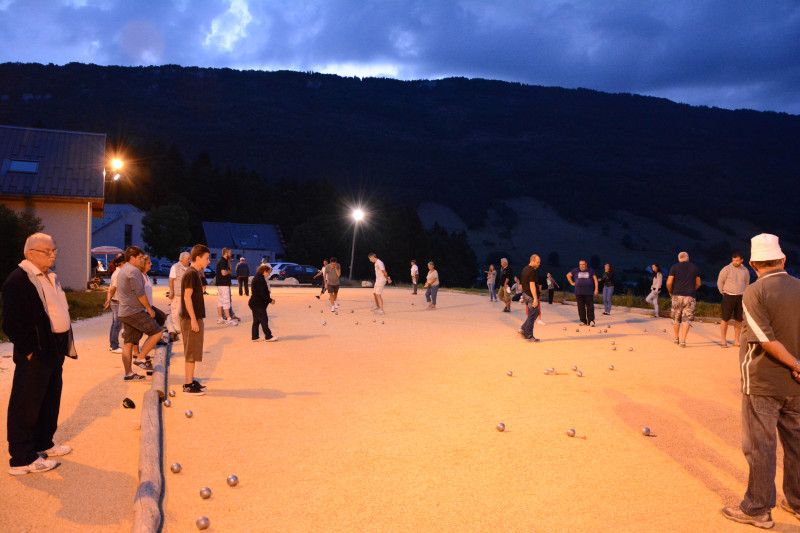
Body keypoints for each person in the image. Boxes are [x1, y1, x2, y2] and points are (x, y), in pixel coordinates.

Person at [721, 233, 800, 529]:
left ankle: (757, 510)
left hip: (762, 382)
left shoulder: (754, 292)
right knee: (797, 445)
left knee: (761, 447)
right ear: (783, 259)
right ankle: (796, 502)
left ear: (753, 264)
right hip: (797, 384)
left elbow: (765, 340)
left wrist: (794, 363)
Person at [3, 232, 76, 475]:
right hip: (35, 349)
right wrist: (29, 350)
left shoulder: (49, 277)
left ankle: (44, 442)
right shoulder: (18, 281)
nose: (53, 254)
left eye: (54, 250)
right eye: (48, 251)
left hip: (54, 345)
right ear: (30, 253)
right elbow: (11, 323)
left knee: (49, 397)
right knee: (26, 402)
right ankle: (21, 458)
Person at [116, 246, 162, 381]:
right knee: (157, 332)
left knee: (128, 343)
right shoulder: (134, 271)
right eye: (140, 257)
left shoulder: (123, 269)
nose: (143, 260)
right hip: (134, 311)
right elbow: (140, 293)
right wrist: (149, 309)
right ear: (132, 258)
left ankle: (129, 374)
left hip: (124, 311)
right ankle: (140, 358)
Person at [181, 244, 212, 395]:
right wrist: (193, 319)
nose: (209, 261)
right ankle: (188, 385)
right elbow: (187, 297)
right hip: (190, 318)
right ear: (198, 258)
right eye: (207, 258)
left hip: (194, 317)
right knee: (191, 352)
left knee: (194, 351)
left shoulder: (195, 273)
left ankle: (191, 380)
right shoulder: (191, 274)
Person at [666, 252, 701, 347]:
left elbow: (669, 283)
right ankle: (683, 340)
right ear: (687, 258)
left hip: (677, 295)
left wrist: (670, 292)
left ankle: (676, 337)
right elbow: (698, 283)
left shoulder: (674, 267)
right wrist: (692, 290)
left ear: (679, 259)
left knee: (676, 317)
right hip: (690, 296)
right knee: (687, 318)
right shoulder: (694, 267)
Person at [717, 252, 751, 348]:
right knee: (725, 318)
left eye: (737, 260)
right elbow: (720, 281)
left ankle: (736, 340)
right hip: (728, 295)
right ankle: (723, 341)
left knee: (739, 320)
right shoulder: (726, 269)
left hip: (741, 296)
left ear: (741, 260)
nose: (735, 262)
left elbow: (747, 283)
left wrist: (745, 293)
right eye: (733, 260)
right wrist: (723, 292)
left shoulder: (745, 271)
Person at [103, 255, 125, 353]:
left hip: (115, 301)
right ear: (121, 263)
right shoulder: (118, 273)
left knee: (115, 324)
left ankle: (113, 344)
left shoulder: (117, 273)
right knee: (117, 324)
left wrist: (109, 299)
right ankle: (114, 345)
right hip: (117, 302)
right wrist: (109, 299)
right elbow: (112, 288)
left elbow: (111, 287)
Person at [166, 252, 191, 342]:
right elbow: (171, 280)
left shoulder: (188, 268)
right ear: (183, 259)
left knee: (183, 312)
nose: (189, 260)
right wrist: (171, 291)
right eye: (188, 259)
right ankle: (177, 329)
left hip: (186, 294)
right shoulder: (175, 267)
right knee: (176, 311)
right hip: (177, 293)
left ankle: (182, 327)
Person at [249, 264, 277, 342]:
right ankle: (268, 336)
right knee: (264, 319)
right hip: (257, 304)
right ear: (264, 272)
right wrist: (270, 300)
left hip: (254, 303)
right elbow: (262, 294)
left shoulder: (258, 278)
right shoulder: (259, 280)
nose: (269, 274)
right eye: (268, 273)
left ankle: (255, 337)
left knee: (257, 320)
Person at [566, 260, 598, 326]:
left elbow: (595, 279)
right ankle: (583, 321)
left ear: (586, 264)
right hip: (579, 292)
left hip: (588, 292)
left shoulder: (590, 270)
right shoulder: (575, 270)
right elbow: (568, 275)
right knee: (581, 307)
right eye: (580, 264)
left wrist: (596, 289)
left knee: (590, 307)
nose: (582, 266)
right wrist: (572, 283)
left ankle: (591, 320)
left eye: (583, 264)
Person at [518, 254, 542, 342]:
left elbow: (521, 283)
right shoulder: (532, 271)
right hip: (531, 296)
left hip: (526, 294)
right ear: (532, 261)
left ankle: (523, 328)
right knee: (532, 316)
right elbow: (532, 285)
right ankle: (529, 336)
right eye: (537, 262)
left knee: (535, 313)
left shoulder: (525, 269)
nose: (539, 264)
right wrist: (535, 298)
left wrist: (523, 294)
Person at [215, 248, 237, 326]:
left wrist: (230, 263)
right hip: (223, 284)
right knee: (226, 301)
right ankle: (229, 319)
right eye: (230, 253)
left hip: (221, 284)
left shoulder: (224, 261)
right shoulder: (222, 262)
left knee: (221, 301)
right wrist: (228, 272)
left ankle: (220, 318)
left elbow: (229, 271)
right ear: (226, 253)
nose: (231, 255)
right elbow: (224, 273)